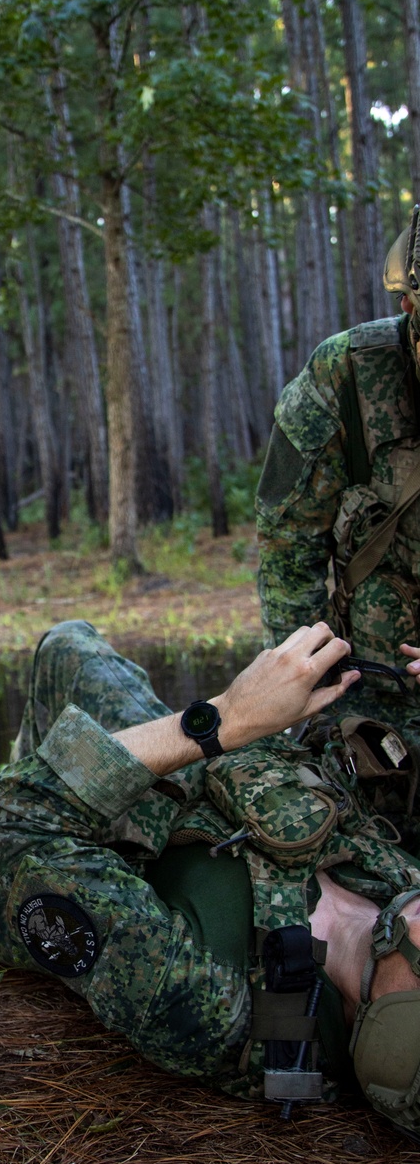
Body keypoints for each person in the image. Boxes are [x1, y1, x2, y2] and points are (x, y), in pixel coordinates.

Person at [0, 620, 420, 1136]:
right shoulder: (397, 897)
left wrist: (224, 718)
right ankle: (53, 761)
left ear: (394, 1028)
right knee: (68, 644)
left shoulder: (212, 1009)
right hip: (172, 793)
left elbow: (22, 818)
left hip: (54, 855)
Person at [256, 206, 420, 816]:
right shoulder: (349, 373)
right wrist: (309, 685)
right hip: (370, 685)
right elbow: (288, 543)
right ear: (410, 308)